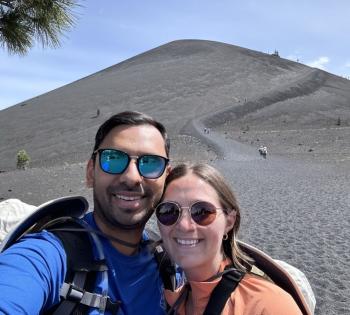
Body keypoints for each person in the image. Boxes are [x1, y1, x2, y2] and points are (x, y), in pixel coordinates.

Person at [0, 111, 172, 314]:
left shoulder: (167, 260)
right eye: (113, 159)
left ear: (166, 178)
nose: (132, 177)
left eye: (151, 163)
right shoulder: (49, 254)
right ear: (91, 172)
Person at [156, 163, 302, 314]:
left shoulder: (266, 305)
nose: (184, 225)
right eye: (169, 211)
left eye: (202, 211)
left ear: (229, 221)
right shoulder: (174, 299)